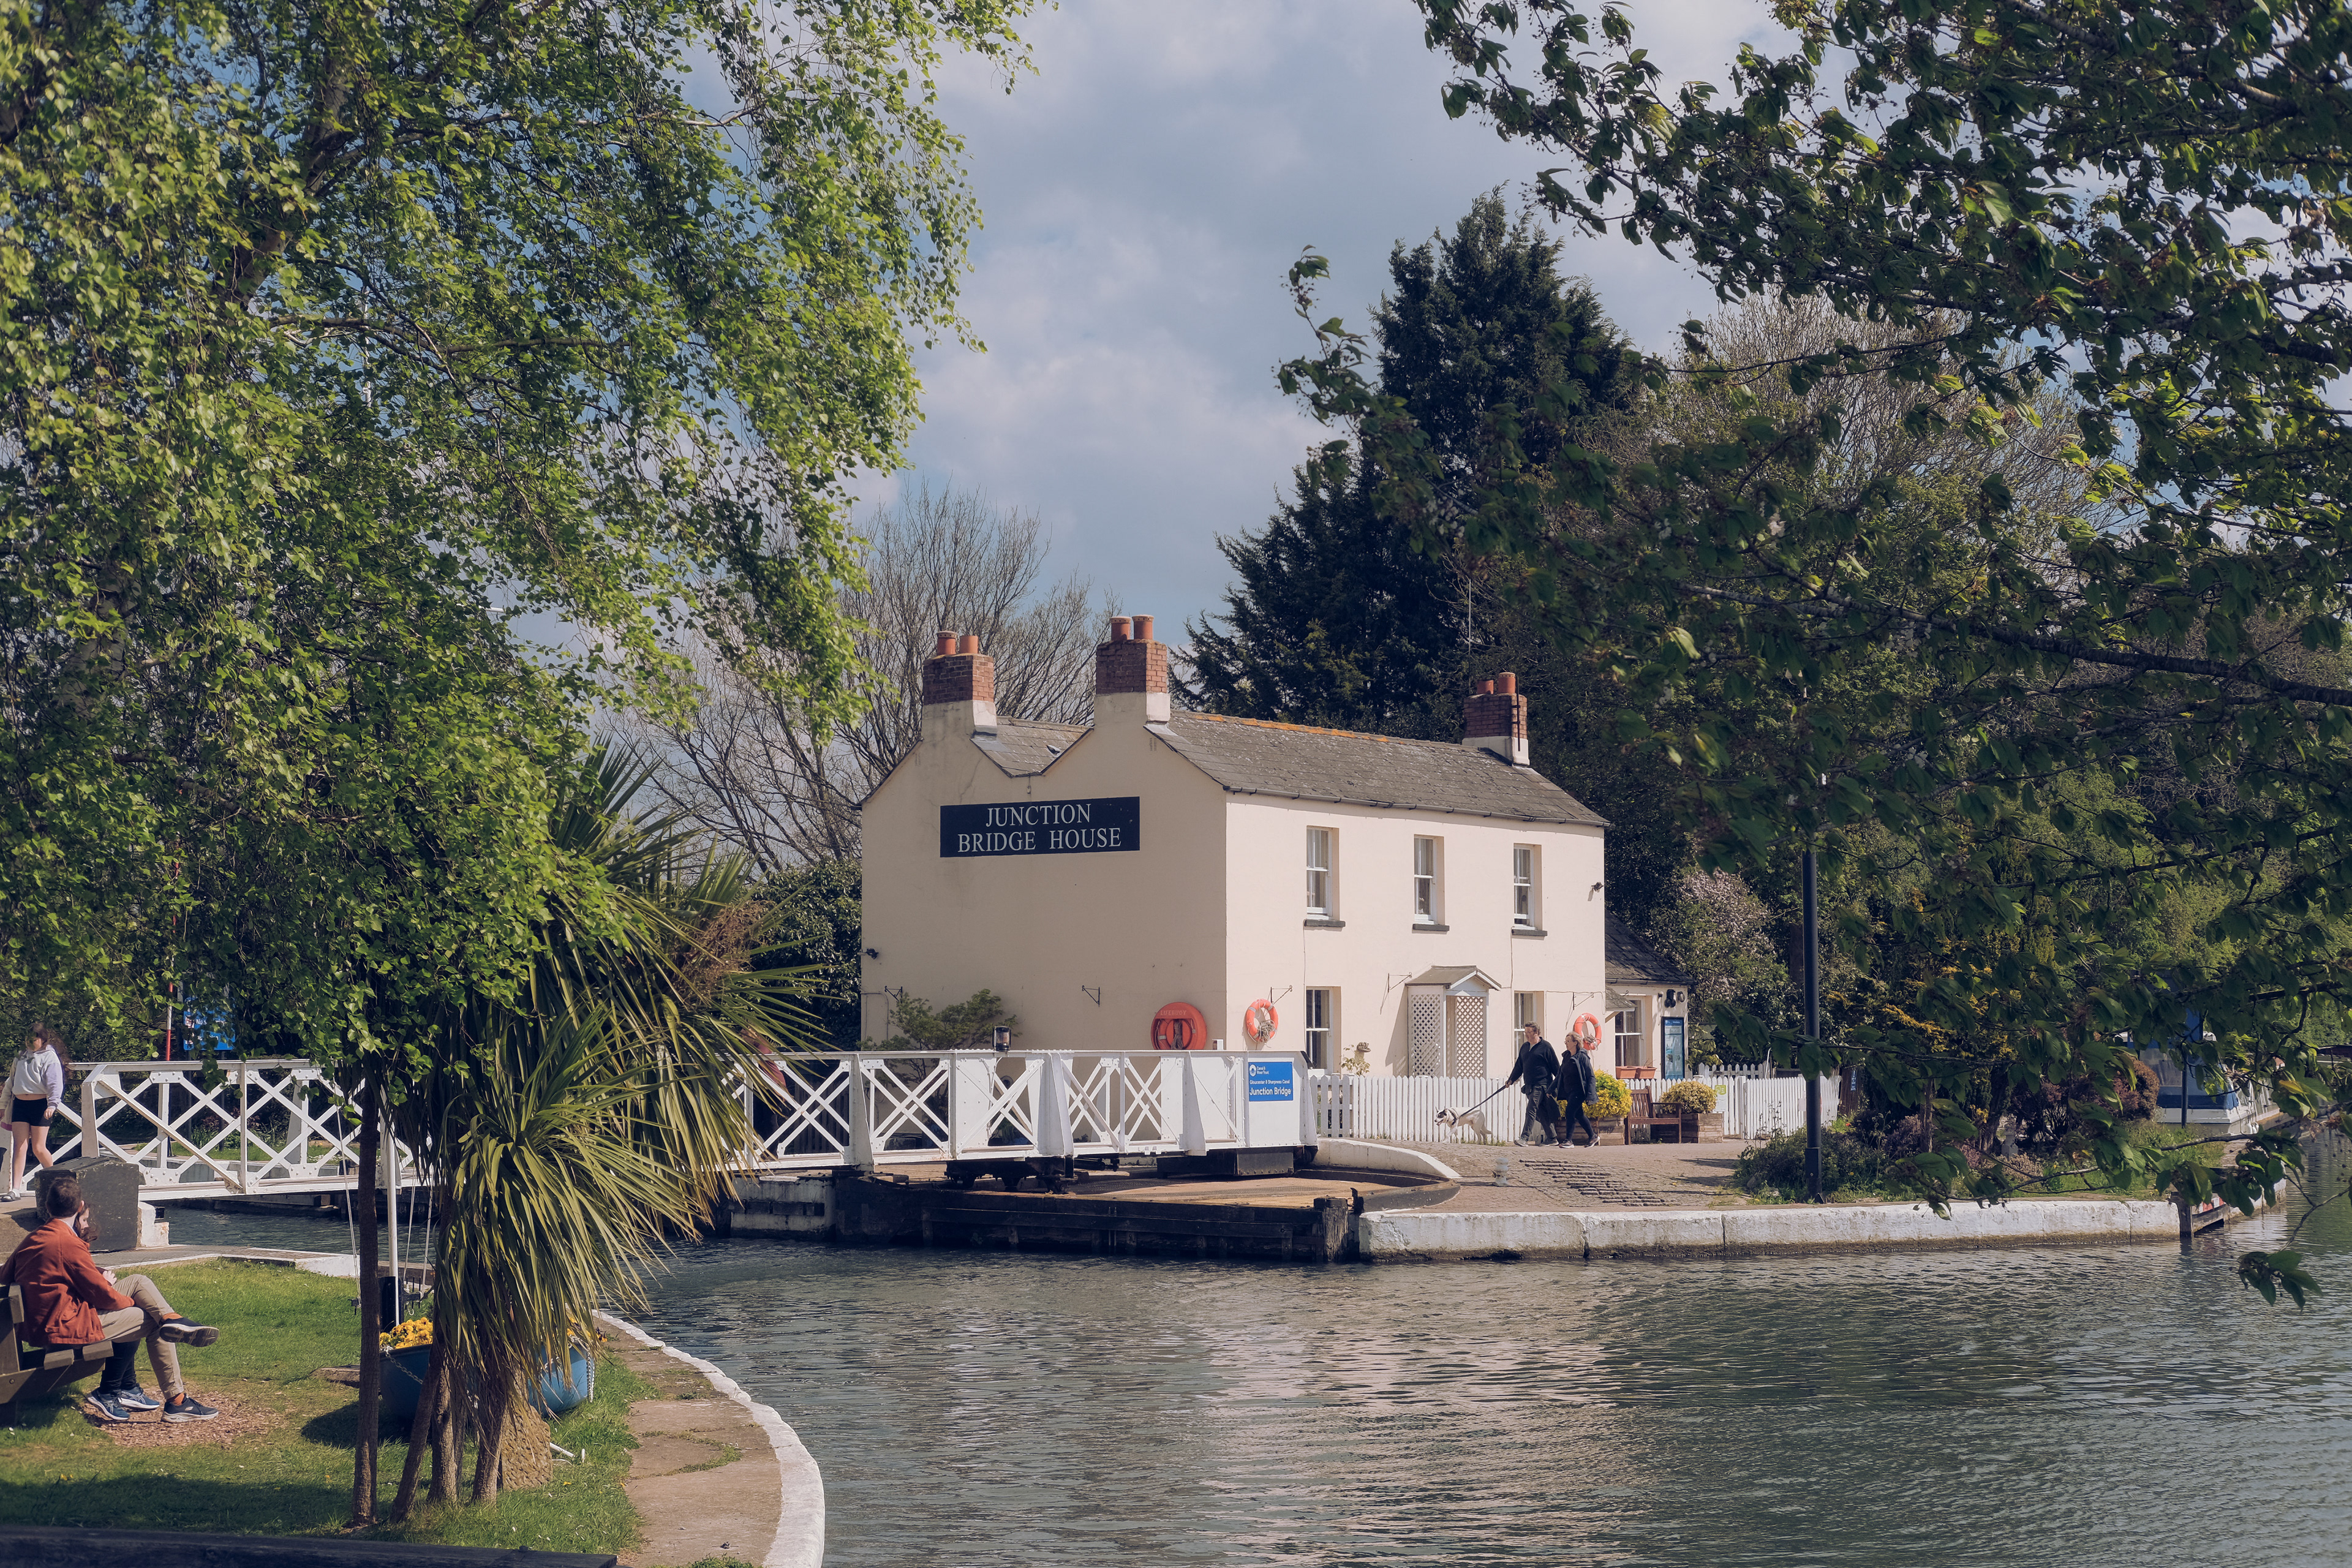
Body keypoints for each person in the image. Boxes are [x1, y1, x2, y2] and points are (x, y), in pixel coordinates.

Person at [0, 1171, 222, 1422]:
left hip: (46, 1323)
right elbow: (105, 1297)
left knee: (139, 1281)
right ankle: (177, 1402)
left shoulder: (35, 1238)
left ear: (48, 1207)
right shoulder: (67, 1243)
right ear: (80, 1207)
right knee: (150, 1322)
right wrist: (127, 1300)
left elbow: (5, 1275)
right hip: (63, 1330)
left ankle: (173, 1318)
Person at [6, 1023, 67, 1201]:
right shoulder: (21, 1056)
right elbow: (11, 1081)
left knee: (39, 1148)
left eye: (33, 1039)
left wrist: (53, 1105)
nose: (29, 1043)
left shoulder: (50, 1057)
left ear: (42, 1040)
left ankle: (56, 1182)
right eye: (27, 1039)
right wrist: (3, 1105)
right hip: (20, 1105)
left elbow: (56, 1083)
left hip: (40, 1105)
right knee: (20, 1146)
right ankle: (15, 1189)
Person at [1504, 1023, 1562, 1145]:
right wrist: (1511, 1079)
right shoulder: (1525, 1047)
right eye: (1525, 1032)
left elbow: (1556, 1067)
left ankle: (1524, 1138)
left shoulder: (1546, 1047)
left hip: (1542, 1085)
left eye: (1529, 1032)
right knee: (1540, 1112)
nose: (1526, 1035)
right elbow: (1519, 1065)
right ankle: (1552, 1138)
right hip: (1529, 1085)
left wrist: (1559, 1085)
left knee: (1531, 1109)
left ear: (1536, 1033)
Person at [1558, 1028, 1600, 1148]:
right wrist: (1551, 1089)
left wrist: (1591, 1093)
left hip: (1579, 1090)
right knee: (1579, 1114)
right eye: (1565, 1041)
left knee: (1570, 1112)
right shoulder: (1566, 1056)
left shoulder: (1582, 1057)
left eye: (1568, 1041)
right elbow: (1560, 1074)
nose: (1566, 1043)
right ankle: (1593, 1136)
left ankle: (1569, 1141)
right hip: (1569, 1090)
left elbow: (1591, 1076)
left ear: (1575, 1042)